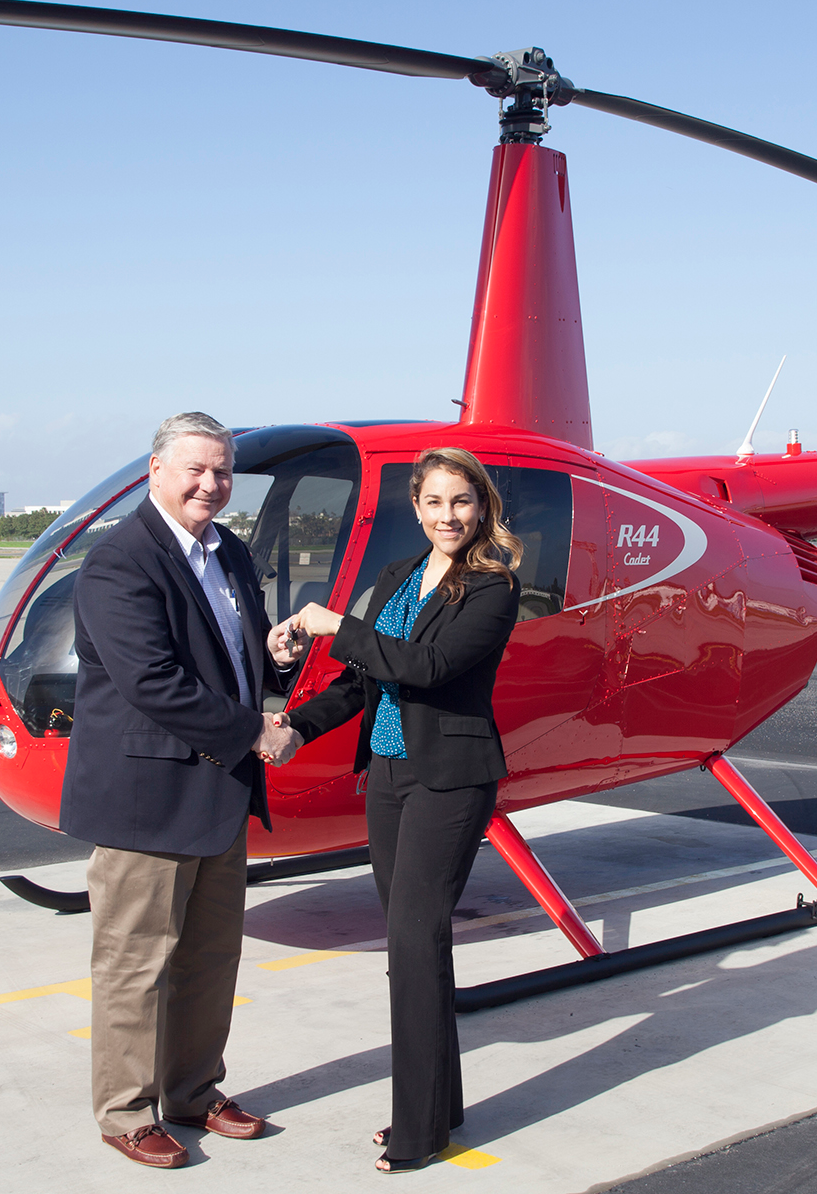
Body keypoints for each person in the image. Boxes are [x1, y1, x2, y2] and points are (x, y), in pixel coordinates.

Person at [59, 411, 304, 1171]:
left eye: (222, 471)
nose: (210, 483)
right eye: (195, 469)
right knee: (135, 965)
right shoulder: (120, 562)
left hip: (216, 792)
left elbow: (234, 653)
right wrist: (255, 731)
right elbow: (153, 683)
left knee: (209, 958)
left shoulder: (226, 549)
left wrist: (276, 657)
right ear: (156, 471)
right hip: (148, 796)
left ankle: (195, 1091)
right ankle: (127, 1112)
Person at [278, 446, 523, 1173]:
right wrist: (297, 727)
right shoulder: (398, 577)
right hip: (388, 777)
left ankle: (417, 1131)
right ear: (415, 507)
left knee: (415, 944)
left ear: (482, 508)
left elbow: (429, 669)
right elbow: (366, 681)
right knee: (414, 946)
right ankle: (438, 1108)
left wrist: (334, 623)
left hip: (450, 781)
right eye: (435, 502)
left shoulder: (493, 587)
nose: (448, 516)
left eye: (462, 502)